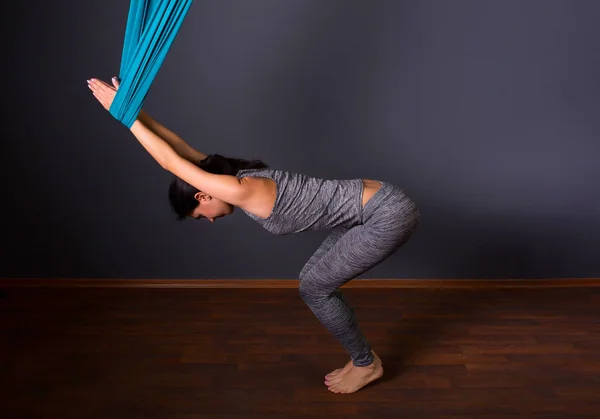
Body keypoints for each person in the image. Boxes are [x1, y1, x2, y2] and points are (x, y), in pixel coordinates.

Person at [87, 77, 421, 394]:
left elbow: (169, 161)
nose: (210, 221)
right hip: (375, 204)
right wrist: (134, 110)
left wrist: (123, 118)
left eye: (200, 215)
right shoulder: (232, 174)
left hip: (386, 215)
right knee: (312, 284)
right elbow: (176, 147)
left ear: (203, 196)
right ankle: (362, 358)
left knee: (317, 289)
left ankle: (366, 364)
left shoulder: (241, 189)